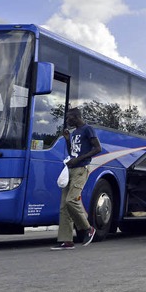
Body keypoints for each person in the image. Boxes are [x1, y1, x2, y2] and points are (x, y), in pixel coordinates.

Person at [51, 107, 102, 251]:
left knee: (71, 200)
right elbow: (73, 152)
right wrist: (68, 140)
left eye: (69, 118)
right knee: (64, 206)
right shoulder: (75, 132)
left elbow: (98, 148)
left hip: (81, 169)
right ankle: (66, 241)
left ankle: (88, 228)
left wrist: (80, 159)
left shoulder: (88, 129)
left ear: (76, 117)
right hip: (70, 169)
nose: (67, 121)